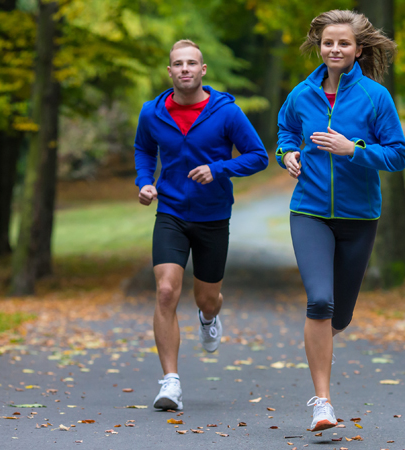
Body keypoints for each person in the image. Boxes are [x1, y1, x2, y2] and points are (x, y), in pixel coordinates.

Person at [275, 10, 405, 431]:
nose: (335, 49)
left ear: (358, 49)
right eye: (328, 42)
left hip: (359, 216)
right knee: (319, 301)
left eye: (344, 43)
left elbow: (398, 153)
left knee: (340, 317)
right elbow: (283, 132)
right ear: (319, 46)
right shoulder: (301, 94)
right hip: (309, 211)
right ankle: (323, 403)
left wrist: (354, 150)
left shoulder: (375, 97)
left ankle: (318, 351)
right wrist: (287, 154)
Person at [135, 40, 269, 411]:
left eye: (191, 63)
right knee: (165, 291)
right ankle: (171, 383)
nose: (184, 69)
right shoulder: (152, 112)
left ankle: (209, 317)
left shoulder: (226, 113)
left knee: (206, 298)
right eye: (177, 64)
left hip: (212, 217)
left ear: (203, 69)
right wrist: (144, 182)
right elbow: (144, 150)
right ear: (170, 71)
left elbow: (259, 157)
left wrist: (218, 169)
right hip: (171, 214)